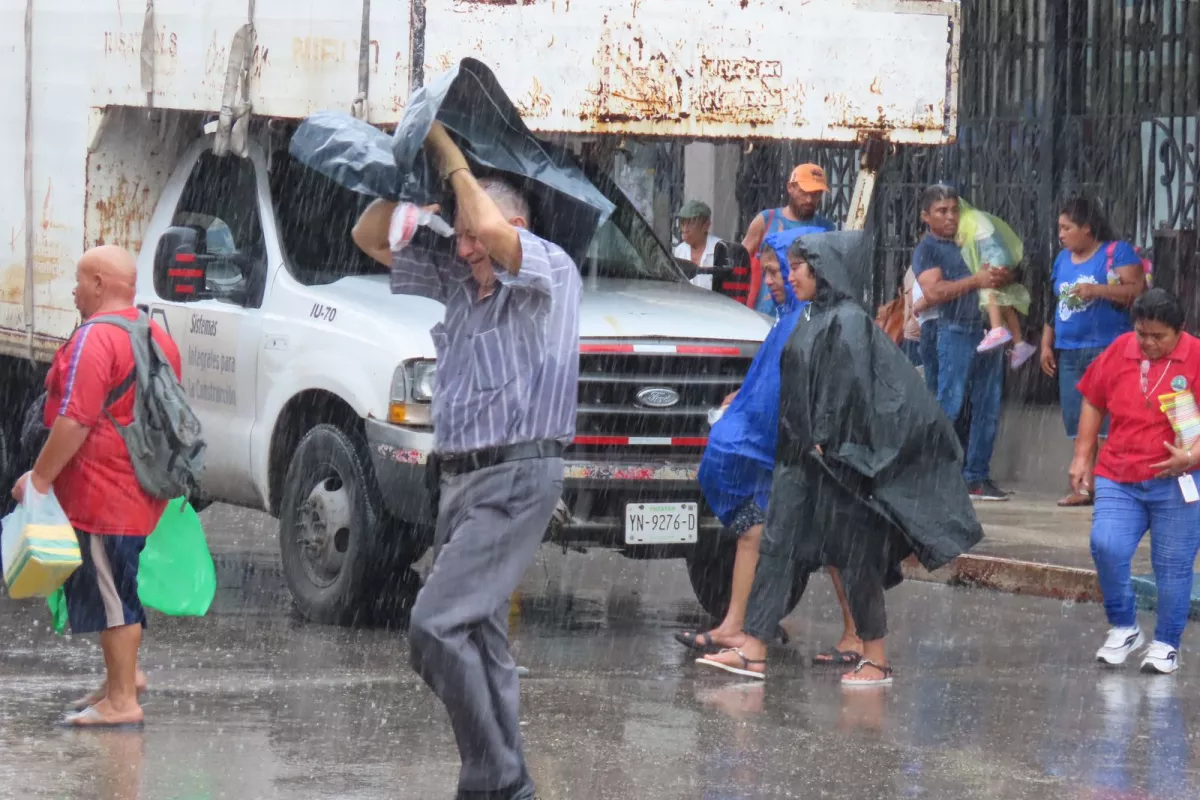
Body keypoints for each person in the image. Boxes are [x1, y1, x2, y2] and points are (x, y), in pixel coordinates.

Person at [352, 122, 581, 800]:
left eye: (475, 233)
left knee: (433, 626)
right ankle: (501, 783)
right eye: (460, 235)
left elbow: (497, 233)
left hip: (516, 473)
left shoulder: (549, 271)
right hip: (458, 478)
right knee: (478, 638)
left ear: (513, 226)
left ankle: (499, 781)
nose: (465, 245)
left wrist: (453, 157)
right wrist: (397, 177)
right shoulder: (459, 278)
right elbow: (368, 238)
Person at [695, 232, 983, 686]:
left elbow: (853, 392)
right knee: (776, 545)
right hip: (799, 458)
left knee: (854, 556)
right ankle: (752, 647)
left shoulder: (847, 321)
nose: (790, 277)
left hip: (834, 462)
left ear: (821, 270)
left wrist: (828, 444)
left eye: (797, 268)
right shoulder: (810, 315)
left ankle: (876, 656)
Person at [675, 228, 865, 667]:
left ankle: (856, 637)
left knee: (823, 542)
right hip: (798, 448)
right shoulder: (791, 319)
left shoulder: (817, 319)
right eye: (775, 272)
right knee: (759, 534)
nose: (779, 281)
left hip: (812, 449)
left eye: (785, 270)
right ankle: (739, 629)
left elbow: (802, 387)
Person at [10, 245, 181, 727]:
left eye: (80, 280)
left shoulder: (95, 338)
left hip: (104, 492)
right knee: (118, 585)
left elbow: (76, 420)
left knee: (111, 594)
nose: (73, 289)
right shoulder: (154, 335)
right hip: (141, 486)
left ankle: (123, 701)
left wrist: (39, 480)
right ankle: (121, 681)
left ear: (101, 284)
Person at [1070, 289, 1200, 675]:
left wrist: (1191, 458)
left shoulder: (1196, 357)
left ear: (1179, 331)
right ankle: (1124, 625)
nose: (1148, 343)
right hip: (1119, 474)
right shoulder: (1121, 350)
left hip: (1178, 481)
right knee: (1106, 545)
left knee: (1173, 566)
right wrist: (1083, 455)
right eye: (1142, 334)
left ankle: (1166, 644)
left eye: (1158, 336)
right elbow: (1094, 398)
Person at [1042, 196, 1147, 507]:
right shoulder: (1062, 259)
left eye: (1066, 228)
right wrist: (1046, 343)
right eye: (1059, 228)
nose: (1060, 234)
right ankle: (1084, 488)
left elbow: (1136, 292)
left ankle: (1109, 485)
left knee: (1107, 422)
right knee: (1077, 420)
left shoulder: (1116, 252)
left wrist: (1096, 290)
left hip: (1107, 348)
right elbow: (1055, 304)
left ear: (1086, 229)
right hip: (1069, 350)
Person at [913, 184, 1012, 501]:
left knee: (987, 407)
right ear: (926, 216)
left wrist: (997, 276)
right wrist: (976, 281)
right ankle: (931, 473)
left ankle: (976, 477)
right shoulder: (927, 249)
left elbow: (998, 278)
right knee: (949, 404)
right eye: (942, 211)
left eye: (954, 209)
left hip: (985, 330)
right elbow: (934, 293)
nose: (951, 216)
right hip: (954, 330)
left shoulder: (971, 240)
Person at [741, 163, 836, 313]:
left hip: (806, 315)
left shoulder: (827, 229)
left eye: (816, 194)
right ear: (790, 188)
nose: (809, 199)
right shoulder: (766, 220)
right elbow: (741, 262)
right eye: (804, 192)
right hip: (764, 314)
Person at [673, 199, 721, 290]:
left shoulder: (719, 249)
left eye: (691, 224)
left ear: (706, 226)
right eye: (683, 224)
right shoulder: (680, 250)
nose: (685, 229)